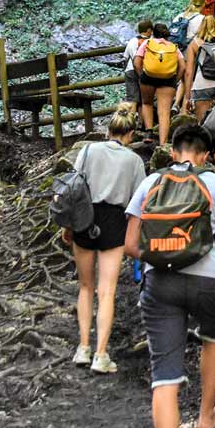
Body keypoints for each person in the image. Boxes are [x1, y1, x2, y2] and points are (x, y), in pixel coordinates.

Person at [124, 125, 215, 428]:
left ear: (173, 152)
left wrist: (158, 260)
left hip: (160, 283)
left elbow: (130, 244)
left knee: (164, 375)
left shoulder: (149, 184)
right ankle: (207, 418)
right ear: (206, 156)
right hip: (207, 280)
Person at [62, 103, 147, 374]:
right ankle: (101, 355)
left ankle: (83, 348)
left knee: (85, 287)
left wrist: (68, 225)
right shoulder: (134, 161)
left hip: (84, 217)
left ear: (108, 130)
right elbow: (138, 201)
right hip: (114, 221)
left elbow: (74, 186)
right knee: (107, 290)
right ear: (130, 134)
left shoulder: (88, 150)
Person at [135, 23, 187, 147]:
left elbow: (137, 62)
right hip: (168, 80)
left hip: (148, 77)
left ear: (153, 33)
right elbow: (183, 66)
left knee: (147, 103)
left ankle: (148, 132)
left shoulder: (147, 43)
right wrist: (175, 80)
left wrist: (141, 76)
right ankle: (163, 143)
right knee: (164, 112)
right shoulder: (173, 47)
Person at [123, 19, 153, 109]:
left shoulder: (132, 41)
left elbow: (125, 57)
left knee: (132, 99)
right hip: (146, 72)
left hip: (131, 70)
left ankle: (131, 120)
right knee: (144, 100)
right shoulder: (151, 42)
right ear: (148, 30)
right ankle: (141, 122)